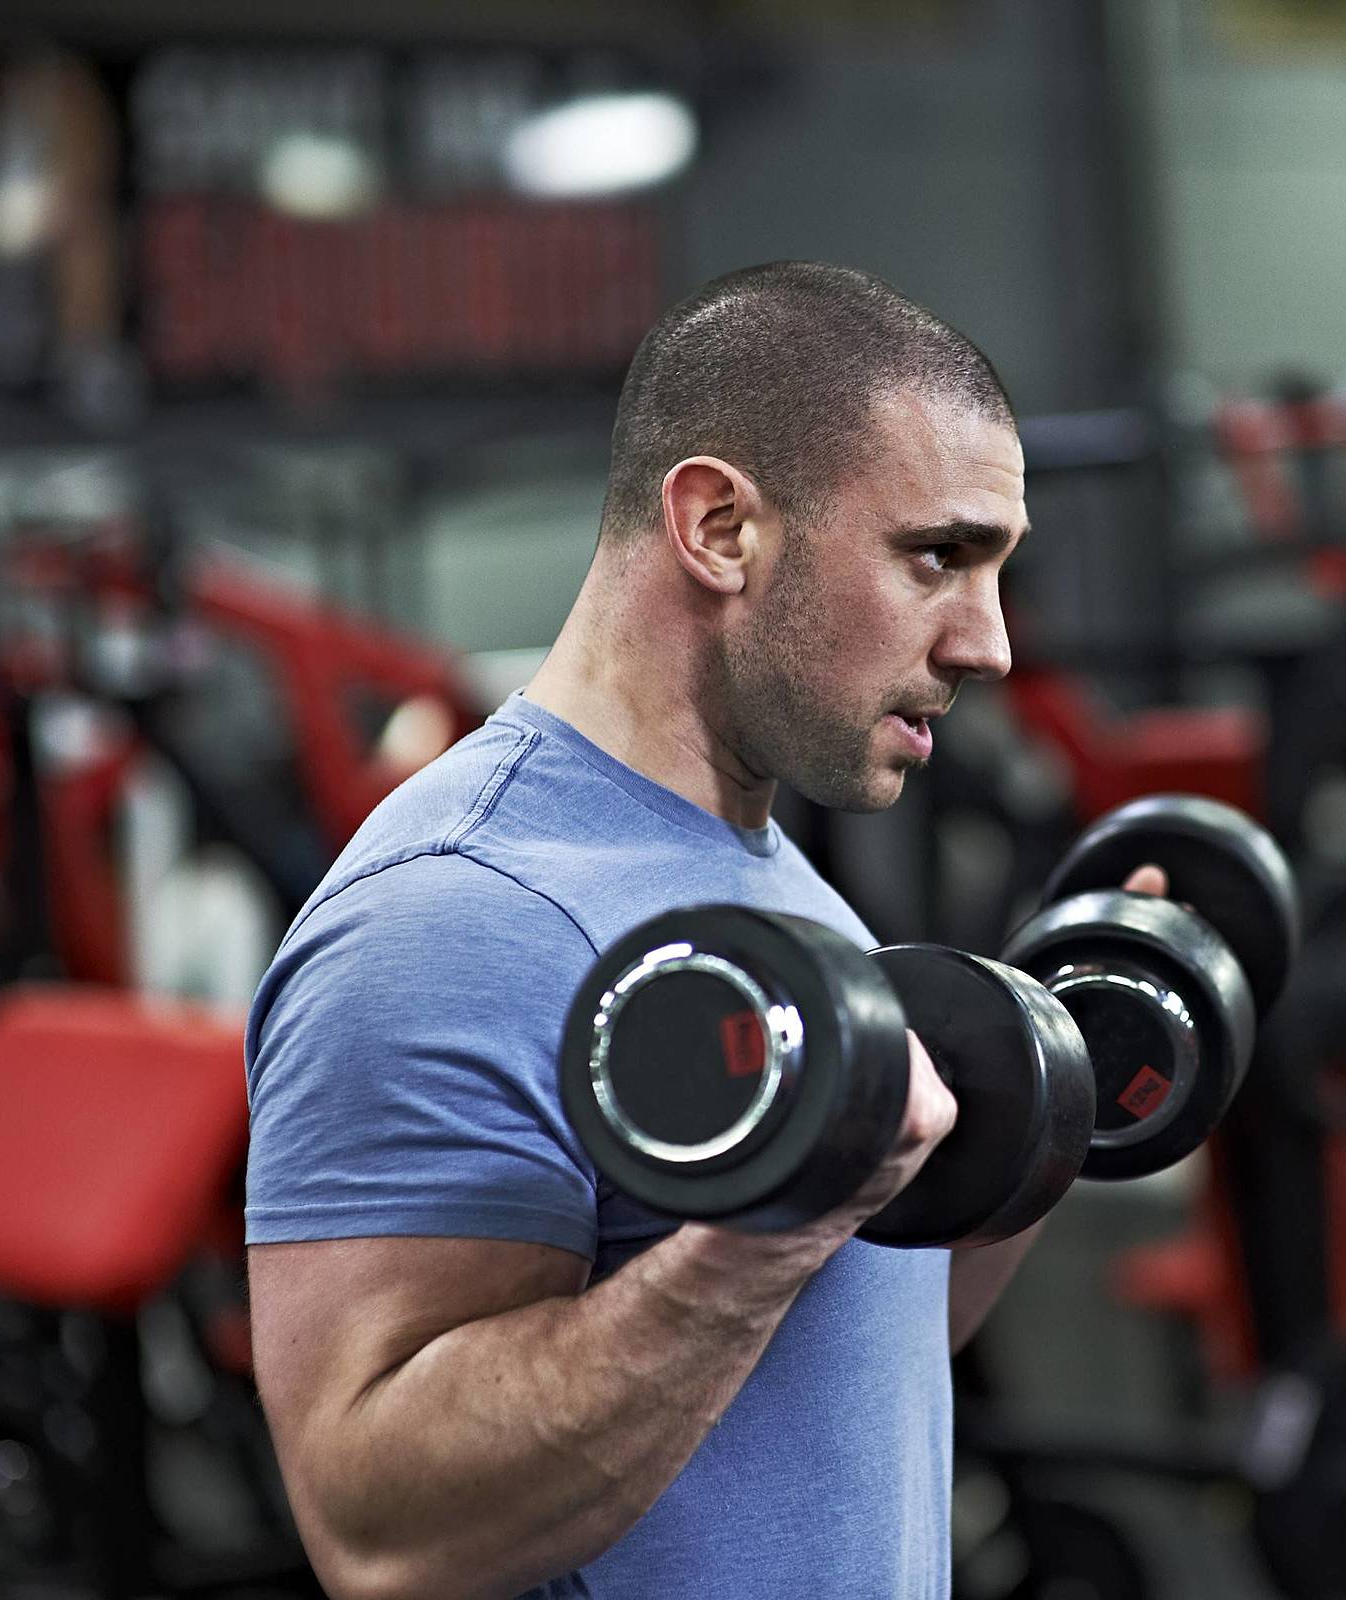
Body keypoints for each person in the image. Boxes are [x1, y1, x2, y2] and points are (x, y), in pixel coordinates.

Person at [244, 262, 1155, 1600]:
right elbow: (384, 1530)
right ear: (721, 528)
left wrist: (1047, 1101)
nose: (990, 644)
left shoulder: (773, 879)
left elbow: (841, 1372)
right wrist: (774, 1223)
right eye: (937, 558)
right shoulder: (451, 918)